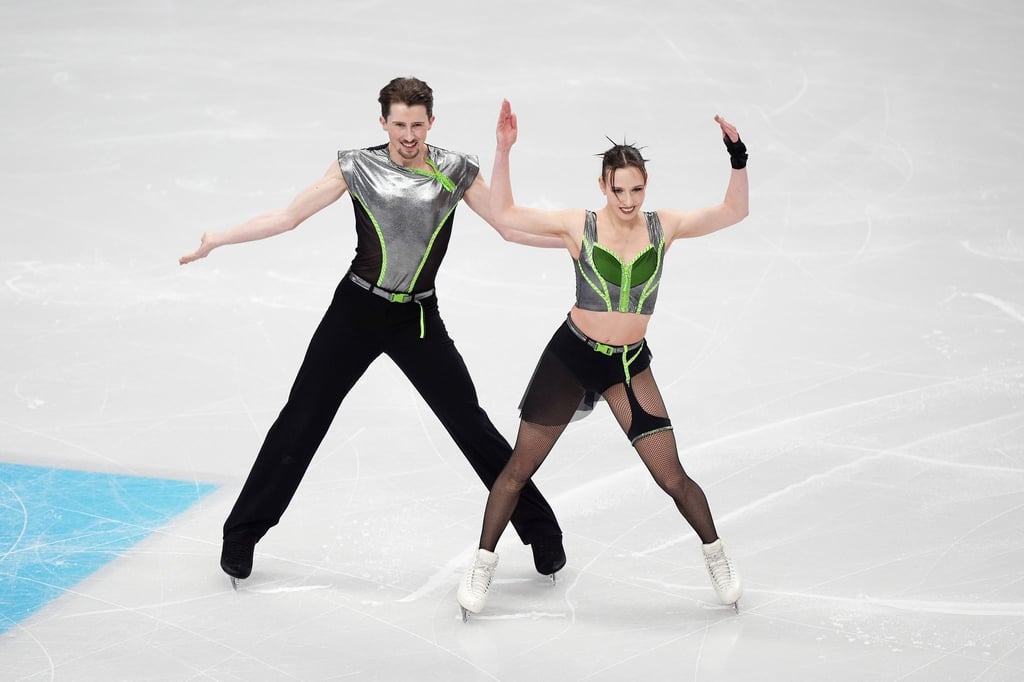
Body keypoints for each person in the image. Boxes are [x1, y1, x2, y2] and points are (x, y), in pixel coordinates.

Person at [180, 77, 567, 587]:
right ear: (382, 121)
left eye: (418, 124)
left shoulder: (455, 170)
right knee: (302, 417)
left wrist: (572, 241)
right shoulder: (357, 166)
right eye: (399, 124)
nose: (409, 134)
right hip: (355, 312)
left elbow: (508, 225)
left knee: (469, 423)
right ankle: (242, 534)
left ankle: (541, 532)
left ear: (432, 122)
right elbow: (289, 217)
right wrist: (218, 238)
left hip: (418, 319)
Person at [456, 100, 750, 619]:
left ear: (645, 186)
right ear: (603, 186)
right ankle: (482, 563)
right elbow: (504, 215)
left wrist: (737, 154)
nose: (629, 199)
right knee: (518, 469)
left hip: (628, 365)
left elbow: (734, 212)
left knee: (671, 474)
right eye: (619, 189)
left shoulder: (665, 226)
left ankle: (717, 557)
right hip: (570, 357)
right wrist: (502, 150)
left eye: (637, 189)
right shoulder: (581, 225)